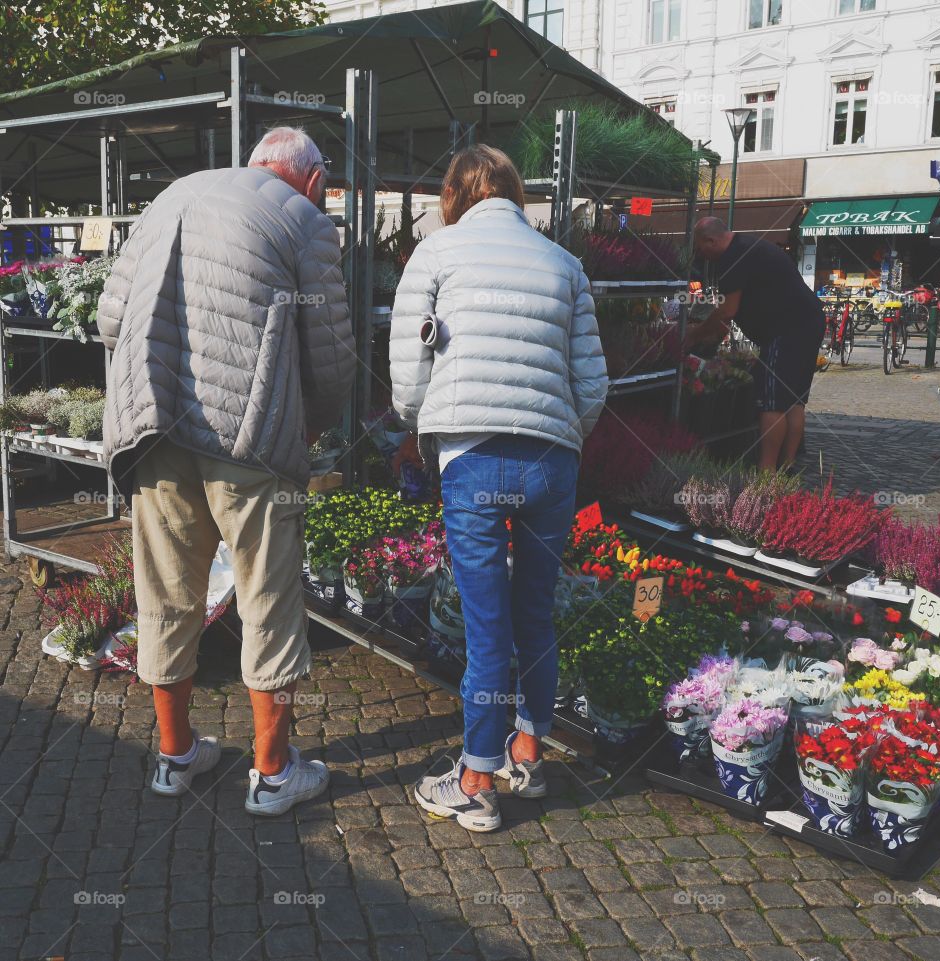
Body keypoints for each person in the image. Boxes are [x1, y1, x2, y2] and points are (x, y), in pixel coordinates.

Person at [97, 126, 356, 816]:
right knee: (268, 599)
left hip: (153, 426)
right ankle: (272, 775)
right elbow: (329, 353)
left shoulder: (167, 199)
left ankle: (175, 757)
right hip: (251, 436)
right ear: (309, 179)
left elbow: (107, 317)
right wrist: (317, 424)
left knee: (166, 594)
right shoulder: (303, 219)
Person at [389, 145, 608, 832]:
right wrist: (561, 432)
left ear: (455, 193)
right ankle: (528, 753)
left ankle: (476, 780)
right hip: (552, 460)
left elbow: (406, 368)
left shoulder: (436, 254)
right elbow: (594, 384)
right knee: (536, 611)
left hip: (473, 455)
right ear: (517, 192)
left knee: (486, 625)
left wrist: (420, 423)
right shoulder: (564, 264)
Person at [688, 217, 825, 470]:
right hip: (809, 321)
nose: (700, 254)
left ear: (711, 240)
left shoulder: (733, 257)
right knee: (794, 400)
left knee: (771, 400)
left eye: (700, 247)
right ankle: (787, 465)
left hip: (786, 329)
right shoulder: (748, 246)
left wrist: (694, 335)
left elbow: (728, 311)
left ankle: (766, 471)